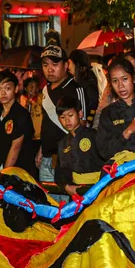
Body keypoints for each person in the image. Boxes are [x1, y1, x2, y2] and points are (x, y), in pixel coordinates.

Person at [38, 45, 91, 182]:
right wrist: (41, 150)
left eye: (55, 64)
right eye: (45, 65)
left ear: (66, 65)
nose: (50, 69)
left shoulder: (75, 89)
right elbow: (47, 122)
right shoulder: (45, 90)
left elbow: (82, 124)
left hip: (68, 158)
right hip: (46, 159)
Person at [54, 97, 103, 195]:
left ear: (80, 114)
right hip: (75, 191)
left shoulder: (94, 135)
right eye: (63, 117)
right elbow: (60, 171)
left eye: (70, 115)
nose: (67, 121)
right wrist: (66, 186)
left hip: (98, 187)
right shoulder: (62, 143)